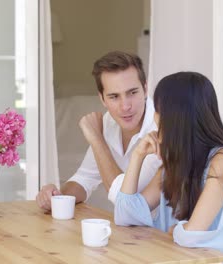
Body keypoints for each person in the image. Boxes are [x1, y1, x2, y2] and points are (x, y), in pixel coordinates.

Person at [114, 72, 223, 263]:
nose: (154, 117)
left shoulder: (222, 161)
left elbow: (192, 235)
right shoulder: (174, 163)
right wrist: (137, 156)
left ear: (175, 116)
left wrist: (178, 231)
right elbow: (125, 215)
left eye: (157, 110)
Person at [36, 51, 161, 211]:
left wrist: (96, 139)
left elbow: (125, 201)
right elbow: (85, 178)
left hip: (161, 232)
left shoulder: (161, 128)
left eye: (132, 93)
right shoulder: (109, 122)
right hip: (128, 230)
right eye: (114, 97)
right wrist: (56, 196)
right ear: (102, 99)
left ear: (145, 89)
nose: (125, 106)